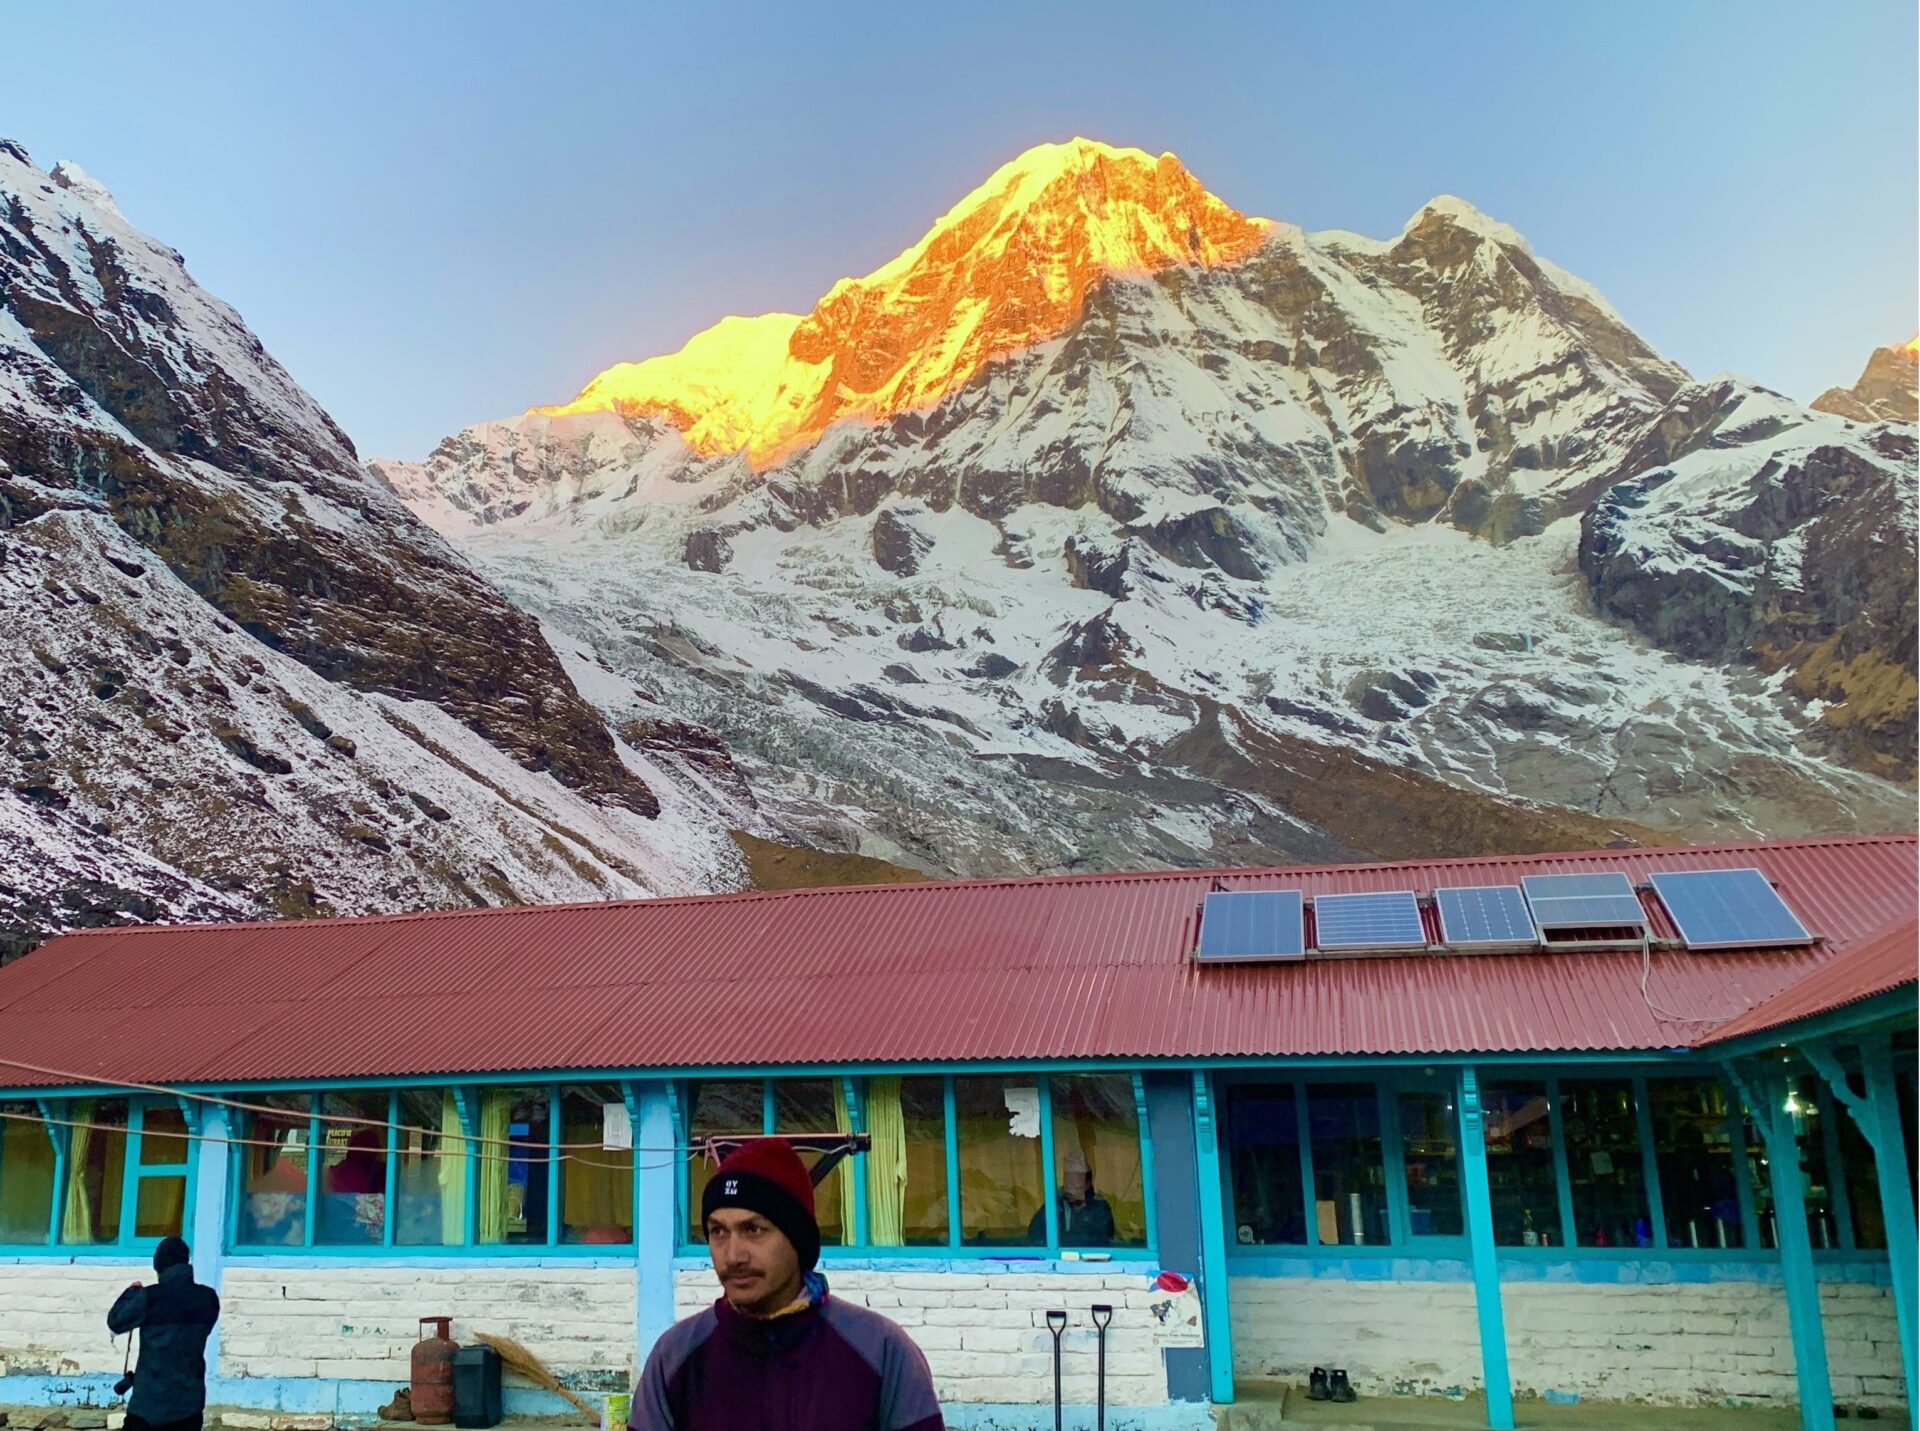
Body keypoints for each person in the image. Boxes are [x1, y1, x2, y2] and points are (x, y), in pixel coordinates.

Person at [631, 1138, 943, 1431]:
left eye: (753, 1229)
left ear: (797, 1239)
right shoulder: (674, 1359)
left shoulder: (880, 1351)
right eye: (718, 1232)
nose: (733, 1255)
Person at [106, 1236, 221, 1431]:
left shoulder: (149, 1297)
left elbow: (116, 1322)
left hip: (147, 1407)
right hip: (188, 1405)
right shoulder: (208, 1298)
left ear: (158, 1265)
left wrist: (131, 1293)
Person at [1026, 1148, 1115, 1246]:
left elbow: (1103, 1240)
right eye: (1067, 1183)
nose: (1069, 1189)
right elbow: (1034, 1235)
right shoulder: (1055, 1206)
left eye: (1074, 1184)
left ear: (1087, 1184)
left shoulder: (1100, 1208)